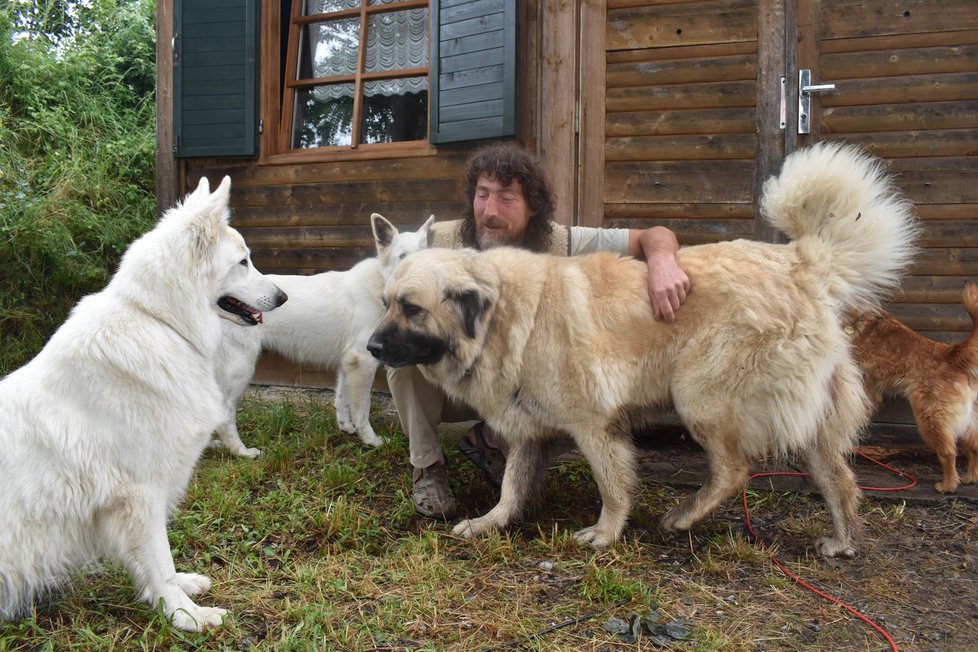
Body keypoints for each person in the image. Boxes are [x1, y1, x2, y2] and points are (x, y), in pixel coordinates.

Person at [387, 141, 690, 519]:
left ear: (533, 207)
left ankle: (493, 443)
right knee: (403, 354)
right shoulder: (437, 242)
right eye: (482, 196)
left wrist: (661, 258)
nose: (490, 211)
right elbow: (392, 291)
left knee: (575, 386)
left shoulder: (560, 242)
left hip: (518, 384)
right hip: (455, 384)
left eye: (507, 199)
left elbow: (652, 234)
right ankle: (427, 467)